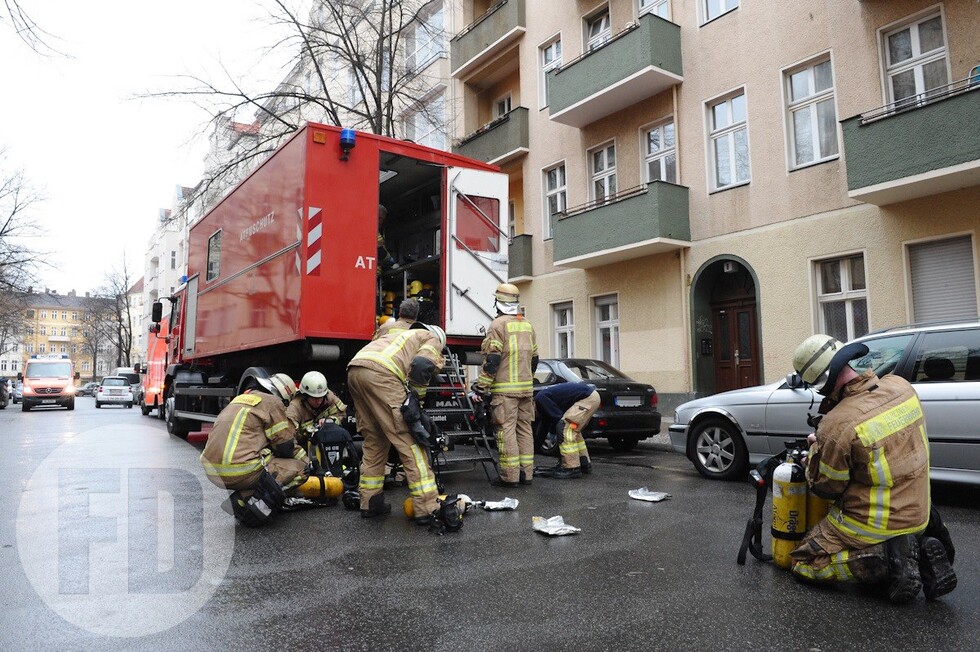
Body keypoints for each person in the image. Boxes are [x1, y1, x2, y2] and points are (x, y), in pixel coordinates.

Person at [789, 335, 956, 602]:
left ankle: (890, 559)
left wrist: (815, 453)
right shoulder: (901, 387)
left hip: (873, 524)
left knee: (804, 563)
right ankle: (922, 548)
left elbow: (826, 488)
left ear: (820, 383)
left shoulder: (837, 424)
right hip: (920, 512)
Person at [347, 324, 446, 523]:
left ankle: (370, 501)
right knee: (410, 441)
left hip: (355, 370)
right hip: (382, 375)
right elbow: (421, 366)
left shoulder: (400, 338)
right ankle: (427, 506)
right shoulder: (429, 338)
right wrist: (415, 402)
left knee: (375, 440)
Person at [200, 373, 311, 526]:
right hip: (241, 471)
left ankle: (246, 497)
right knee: (301, 470)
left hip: (211, 471)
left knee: (263, 454)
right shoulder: (273, 402)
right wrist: (307, 461)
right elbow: (285, 447)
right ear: (284, 395)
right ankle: (249, 500)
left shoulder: (239, 399)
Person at [472, 283, 538, 487]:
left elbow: (492, 360)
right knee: (524, 429)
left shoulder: (498, 326)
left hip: (505, 392)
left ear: (497, 303)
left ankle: (509, 477)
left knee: (506, 430)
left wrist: (481, 388)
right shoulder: (527, 325)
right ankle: (526, 474)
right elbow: (535, 359)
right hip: (526, 390)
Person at [533, 381, 600, 479]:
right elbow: (544, 429)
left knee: (564, 427)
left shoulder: (540, 398)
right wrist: (534, 450)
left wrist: (563, 454)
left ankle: (571, 468)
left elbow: (558, 419)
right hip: (591, 397)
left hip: (587, 398)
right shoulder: (544, 400)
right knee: (572, 430)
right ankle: (583, 463)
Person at [286, 371, 348, 449]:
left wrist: (330, 421)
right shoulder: (295, 408)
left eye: (320, 397)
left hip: (327, 443)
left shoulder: (330, 398)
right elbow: (288, 436)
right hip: (303, 446)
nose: (318, 401)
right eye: (314, 398)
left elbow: (341, 415)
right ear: (305, 395)